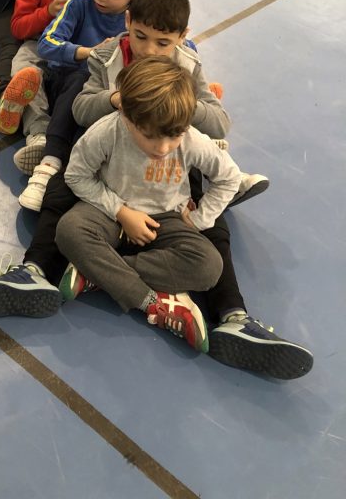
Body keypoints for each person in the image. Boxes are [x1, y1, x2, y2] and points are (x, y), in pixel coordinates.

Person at [0, 0, 314, 379]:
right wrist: (121, 102)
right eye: (141, 37)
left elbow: (217, 123)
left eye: (163, 43)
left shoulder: (186, 85)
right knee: (63, 198)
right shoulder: (107, 59)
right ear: (128, 22)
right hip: (111, 164)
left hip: (167, 187)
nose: (150, 50)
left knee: (210, 237)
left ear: (182, 37)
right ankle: (37, 270)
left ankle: (228, 313)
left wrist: (174, 110)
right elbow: (81, 113)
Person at [54, 56, 240, 353]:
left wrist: (198, 220)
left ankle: (97, 273)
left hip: (166, 218)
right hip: (110, 212)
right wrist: (121, 211)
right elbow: (76, 175)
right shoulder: (107, 131)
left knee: (209, 266)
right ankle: (152, 302)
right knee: (69, 230)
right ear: (126, 115)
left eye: (174, 136)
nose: (163, 148)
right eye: (150, 136)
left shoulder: (191, 139)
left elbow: (229, 177)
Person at [18, 0, 156, 210]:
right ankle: (48, 164)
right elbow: (46, 44)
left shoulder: (140, 18)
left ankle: (211, 164)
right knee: (80, 82)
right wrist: (88, 52)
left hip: (107, 97)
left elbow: (174, 41)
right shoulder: (80, 2)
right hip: (68, 82)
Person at [0, 0, 108, 142]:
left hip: (79, 45)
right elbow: (18, 27)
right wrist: (47, 12)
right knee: (23, 67)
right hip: (41, 43)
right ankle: (38, 131)